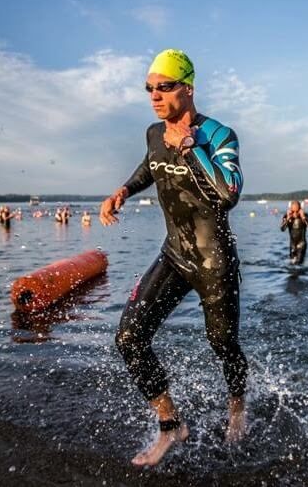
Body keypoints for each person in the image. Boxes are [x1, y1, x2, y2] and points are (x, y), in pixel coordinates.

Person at [99, 49, 247, 466]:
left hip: (214, 263)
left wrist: (189, 149)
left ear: (188, 88)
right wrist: (123, 191)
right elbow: (150, 166)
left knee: (222, 343)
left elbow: (228, 194)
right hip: (174, 255)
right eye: (149, 88)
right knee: (129, 337)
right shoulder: (153, 133)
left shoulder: (218, 135)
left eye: (164, 87)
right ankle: (171, 424)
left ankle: (237, 404)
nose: (155, 95)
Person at [280, 200, 308, 265]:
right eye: (293, 211)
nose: (295, 213)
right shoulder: (287, 216)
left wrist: (304, 217)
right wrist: (287, 218)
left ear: (300, 209)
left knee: (298, 263)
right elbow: (282, 229)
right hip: (292, 245)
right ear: (290, 209)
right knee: (292, 264)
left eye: (297, 211)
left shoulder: (305, 215)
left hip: (302, 244)